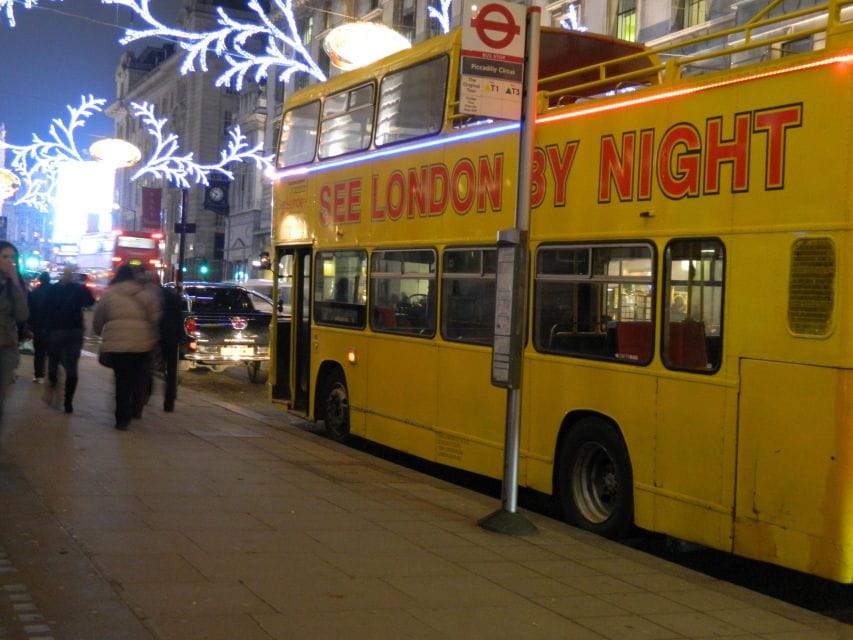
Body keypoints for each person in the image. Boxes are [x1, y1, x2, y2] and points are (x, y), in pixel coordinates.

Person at [93, 265, 161, 430]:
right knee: (138, 377)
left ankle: (122, 418)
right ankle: (136, 408)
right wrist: (155, 338)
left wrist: (100, 331)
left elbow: (99, 318)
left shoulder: (109, 293)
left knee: (121, 380)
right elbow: (155, 318)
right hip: (142, 343)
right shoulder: (145, 293)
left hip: (117, 344)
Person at [43, 266, 95, 413]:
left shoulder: (53, 289)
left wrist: (45, 327)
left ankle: (53, 381)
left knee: (53, 359)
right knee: (72, 366)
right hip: (75, 330)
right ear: (72, 276)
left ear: (62, 275)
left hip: (57, 329)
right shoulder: (79, 289)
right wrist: (83, 287)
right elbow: (90, 302)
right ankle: (68, 402)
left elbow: (45, 309)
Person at [0, 241, 29, 424]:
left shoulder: (16, 285)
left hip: (6, 344)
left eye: (13, 258)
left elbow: (22, 315)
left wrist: (17, 285)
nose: (10, 261)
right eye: (5, 257)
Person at [27, 272, 52, 383]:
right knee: (52, 351)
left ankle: (39, 375)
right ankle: (52, 374)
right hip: (52, 326)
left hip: (38, 325)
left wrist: (29, 325)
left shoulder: (35, 292)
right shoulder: (55, 291)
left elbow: (30, 309)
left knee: (39, 351)